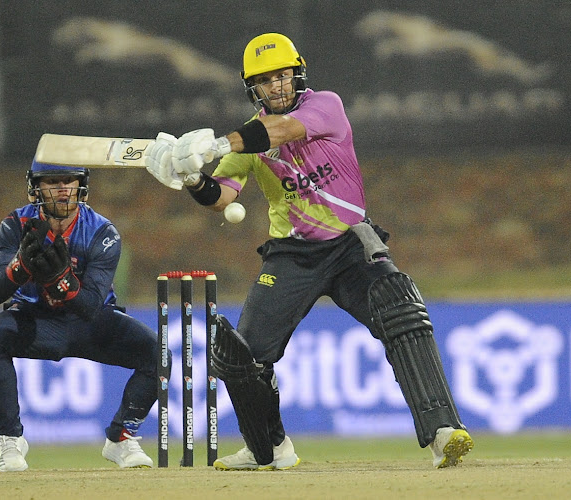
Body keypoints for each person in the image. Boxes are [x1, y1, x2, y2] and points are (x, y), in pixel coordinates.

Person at [144, 32, 473, 470]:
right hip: (292, 255)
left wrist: (216, 144)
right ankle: (269, 449)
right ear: (253, 88)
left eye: (283, 76)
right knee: (243, 355)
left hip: (352, 243)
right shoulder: (248, 139)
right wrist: (189, 177)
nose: (277, 86)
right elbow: (221, 198)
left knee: (401, 312)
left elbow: (277, 132)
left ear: (297, 75)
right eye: (266, 81)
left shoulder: (325, 106)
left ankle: (442, 432)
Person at [0, 158, 167, 471]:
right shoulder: (15, 224)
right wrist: (21, 264)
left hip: (90, 324)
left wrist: (60, 281)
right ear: (36, 188)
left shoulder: (103, 233)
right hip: (34, 321)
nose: (64, 189)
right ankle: (11, 440)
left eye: (70, 180)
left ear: (81, 185)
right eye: (53, 182)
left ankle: (121, 438)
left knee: (159, 354)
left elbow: (91, 305)